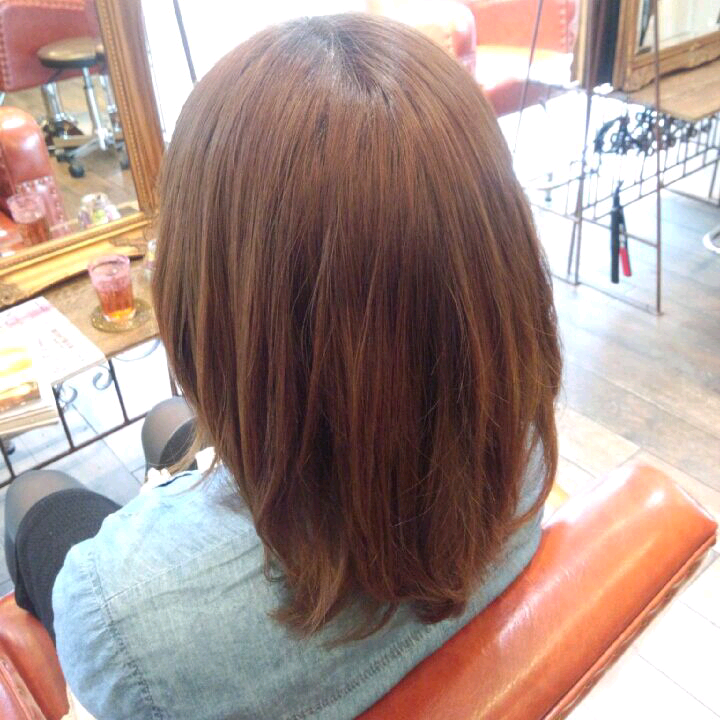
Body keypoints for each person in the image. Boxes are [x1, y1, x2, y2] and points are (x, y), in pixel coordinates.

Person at [5, 12, 561, 720]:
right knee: (169, 422)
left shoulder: (120, 620)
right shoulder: (523, 447)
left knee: (37, 499)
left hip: (170, 623)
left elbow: (123, 623)